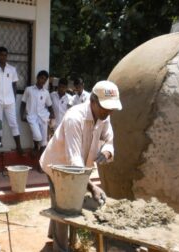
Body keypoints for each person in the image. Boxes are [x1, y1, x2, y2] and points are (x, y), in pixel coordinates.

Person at [39, 80, 122, 252]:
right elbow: (73, 163)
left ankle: (54, 237)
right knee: (65, 209)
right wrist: (92, 187)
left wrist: (106, 151)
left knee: (64, 204)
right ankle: (60, 249)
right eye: (105, 108)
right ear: (92, 101)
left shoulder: (103, 116)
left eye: (111, 108)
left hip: (77, 167)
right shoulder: (74, 118)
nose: (108, 112)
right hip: (58, 166)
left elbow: (109, 139)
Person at [20, 70, 55, 158]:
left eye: (45, 79)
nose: (43, 81)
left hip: (43, 117)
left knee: (43, 142)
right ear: (37, 78)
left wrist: (52, 115)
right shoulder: (29, 90)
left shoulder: (46, 92)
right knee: (38, 137)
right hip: (31, 117)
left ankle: (40, 164)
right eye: (42, 78)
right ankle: (35, 146)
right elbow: (23, 103)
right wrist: (21, 115)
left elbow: (50, 105)